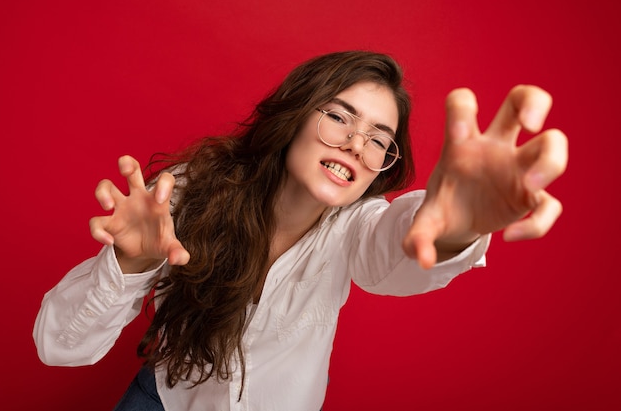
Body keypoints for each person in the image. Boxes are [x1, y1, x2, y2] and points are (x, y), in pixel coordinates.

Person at [33, 51, 568, 411]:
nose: (357, 145)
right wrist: (131, 264)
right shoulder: (186, 192)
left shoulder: (357, 227)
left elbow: (397, 251)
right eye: (339, 116)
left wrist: (459, 222)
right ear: (294, 114)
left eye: (380, 139)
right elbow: (58, 347)